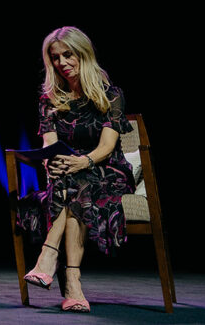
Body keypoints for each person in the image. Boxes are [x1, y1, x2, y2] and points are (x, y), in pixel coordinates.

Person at [17, 26, 134, 313]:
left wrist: (84, 161)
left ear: (83, 54)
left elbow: (107, 145)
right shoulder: (50, 100)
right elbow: (50, 143)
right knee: (72, 184)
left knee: (75, 181)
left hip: (108, 172)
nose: (62, 63)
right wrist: (51, 162)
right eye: (55, 58)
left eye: (68, 55)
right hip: (72, 176)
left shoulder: (111, 95)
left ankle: (48, 257)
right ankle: (72, 284)